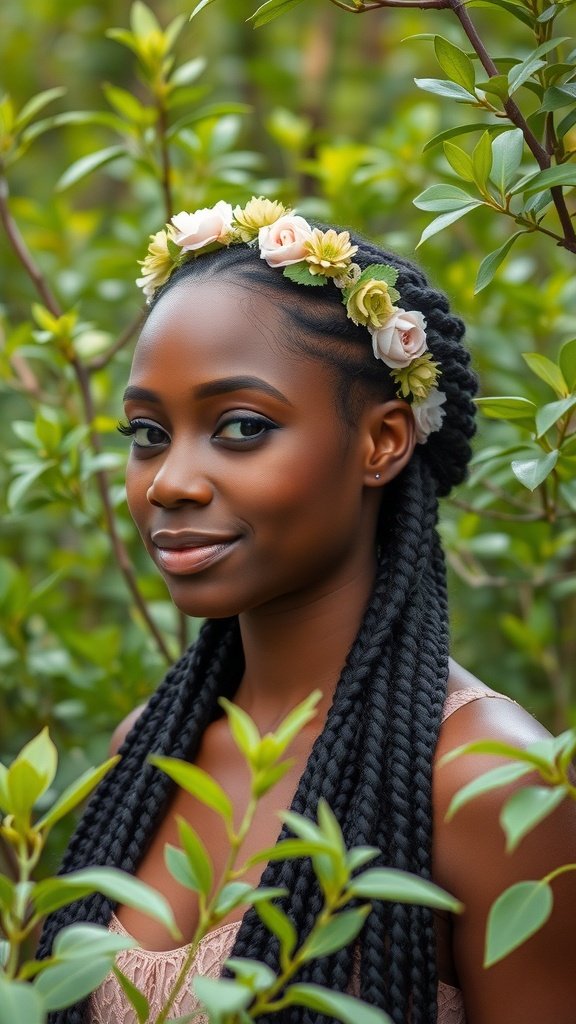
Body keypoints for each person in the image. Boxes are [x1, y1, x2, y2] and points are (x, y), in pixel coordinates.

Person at [38, 198, 576, 1024]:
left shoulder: (491, 787)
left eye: (241, 427)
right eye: (147, 433)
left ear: (383, 442)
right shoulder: (147, 750)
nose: (168, 482)